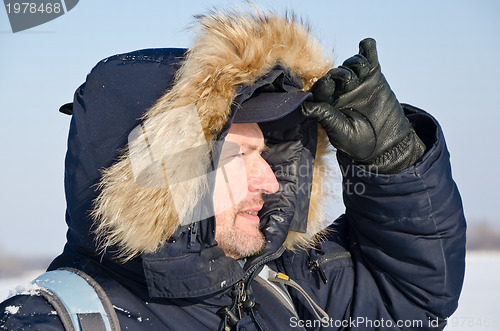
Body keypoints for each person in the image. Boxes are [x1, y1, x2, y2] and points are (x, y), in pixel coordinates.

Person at [0, 9, 466, 331]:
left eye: (267, 155)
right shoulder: (45, 322)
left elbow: (410, 300)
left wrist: (393, 165)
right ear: (164, 174)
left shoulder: (285, 289)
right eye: (239, 155)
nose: (268, 180)